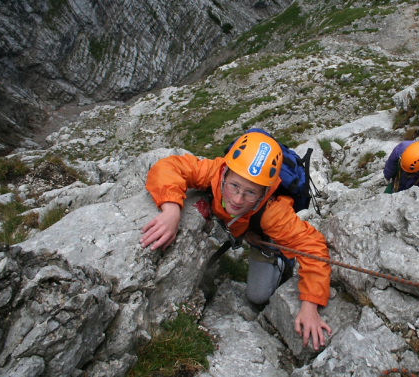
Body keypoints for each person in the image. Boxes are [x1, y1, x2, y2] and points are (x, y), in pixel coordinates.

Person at [139, 132, 332, 350]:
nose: (238, 199)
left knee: (257, 296)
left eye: (251, 193)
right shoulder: (213, 172)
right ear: (224, 173)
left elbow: (312, 245)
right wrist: (171, 208)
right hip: (236, 225)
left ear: (266, 192)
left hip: (261, 236)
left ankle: (279, 260)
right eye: (234, 186)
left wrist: (310, 304)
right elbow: (168, 166)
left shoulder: (273, 213)